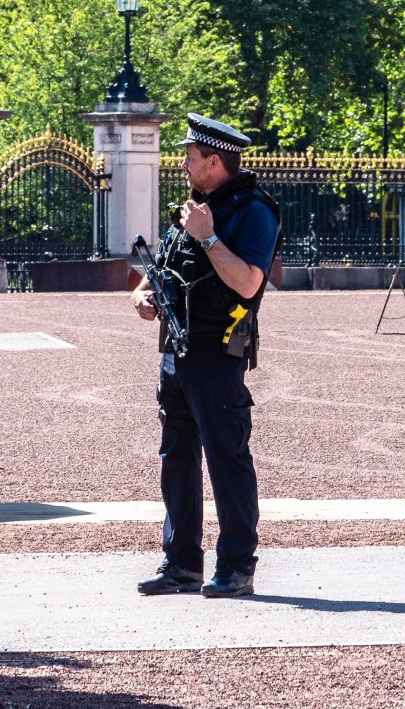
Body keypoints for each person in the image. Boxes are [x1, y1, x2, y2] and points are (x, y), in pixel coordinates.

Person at [132, 114, 278, 599]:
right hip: (176, 352)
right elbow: (163, 270)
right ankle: (181, 564)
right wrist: (142, 294)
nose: (184, 163)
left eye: (191, 157)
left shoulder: (253, 211)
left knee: (226, 459)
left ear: (215, 162)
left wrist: (209, 237)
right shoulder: (192, 209)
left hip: (218, 352)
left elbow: (250, 282)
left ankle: (236, 567)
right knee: (176, 458)